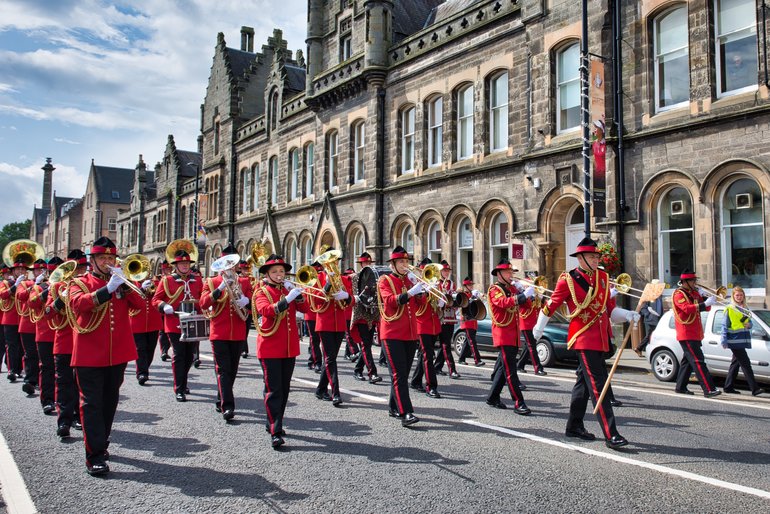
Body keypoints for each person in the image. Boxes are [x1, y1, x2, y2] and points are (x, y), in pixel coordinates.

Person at [534, 237, 638, 450]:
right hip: (583, 338)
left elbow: (608, 311)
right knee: (598, 387)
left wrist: (628, 314)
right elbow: (551, 306)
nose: (596, 259)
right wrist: (538, 329)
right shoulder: (568, 280)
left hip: (600, 339)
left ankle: (574, 426)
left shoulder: (603, 278)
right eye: (592, 256)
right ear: (580, 258)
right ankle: (611, 434)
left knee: (582, 384)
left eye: (597, 256)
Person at [67, 237, 144, 476]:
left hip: (116, 353)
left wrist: (124, 283)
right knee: (91, 404)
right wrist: (107, 290)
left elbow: (140, 304)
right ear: (93, 261)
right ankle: (94, 455)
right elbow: (77, 304)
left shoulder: (121, 282)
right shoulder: (79, 282)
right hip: (89, 354)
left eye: (111, 258)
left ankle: (102, 441)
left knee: (109, 402)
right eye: (103, 258)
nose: (108, 262)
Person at [253, 254, 308, 448]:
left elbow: (306, 308)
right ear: (267, 274)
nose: (279, 275)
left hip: (288, 347)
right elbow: (266, 310)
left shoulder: (288, 289)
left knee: (284, 389)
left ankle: (274, 422)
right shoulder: (261, 291)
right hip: (270, 347)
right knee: (273, 389)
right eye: (275, 272)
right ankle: (276, 430)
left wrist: (298, 295)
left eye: (282, 271)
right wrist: (287, 299)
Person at [200, 244, 253, 421]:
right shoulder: (211, 281)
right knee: (223, 370)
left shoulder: (245, 282)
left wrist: (247, 301)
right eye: (226, 264)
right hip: (219, 333)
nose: (230, 267)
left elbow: (255, 306)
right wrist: (220, 288)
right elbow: (203, 303)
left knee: (232, 370)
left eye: (232, 263)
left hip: (237, 332)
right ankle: (228, 406)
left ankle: (220, 398)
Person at [378, 246, 423, 426]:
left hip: (410, 334)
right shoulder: (385, 280)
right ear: (394, 264)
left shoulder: (410, 281)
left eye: (406, 261)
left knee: (402, 374)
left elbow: (419, 305)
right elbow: (390, 301)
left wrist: (423, 290)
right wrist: (411, 292)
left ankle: (393, 406)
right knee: (398, 374)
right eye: (401, 262)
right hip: (392, 333)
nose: (405, 265)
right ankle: (406, 413)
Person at [152, 245, 203, 402]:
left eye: (187, 264)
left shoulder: (198, 280)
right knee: (179, 355)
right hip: (175, 322)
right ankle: (179, 387)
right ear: (176, 266)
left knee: (190, 356)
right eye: (182, 264)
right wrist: (164, 306)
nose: (185, 266)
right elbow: (155, 299)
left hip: (193, 323)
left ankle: (183, 381)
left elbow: (203, 298)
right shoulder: (167, 281)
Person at [46, 250, 87, 439]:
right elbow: (48, 312)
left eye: (82, 268)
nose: (78, 271)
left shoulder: (88, 287)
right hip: (63, 342)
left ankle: (79, 417)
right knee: (63, 384)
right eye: (75, 268)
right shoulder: (56, 287)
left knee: (82, 384)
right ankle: (64, 421)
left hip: (84, 341)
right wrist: (60, 300)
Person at [485, 259, 535, 414]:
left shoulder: (513, 288)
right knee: (510, 370)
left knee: (503, 366)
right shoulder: (495, 289)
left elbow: (526, 306)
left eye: (511, 272)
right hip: (503, 332)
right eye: (508, 272)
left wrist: (526, 293)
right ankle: (518, 402)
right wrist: (520, 296)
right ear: (499, 274)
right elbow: (503, 303)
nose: (511, 274)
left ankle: (493, 397)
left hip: (513, 333)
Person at [307, 248, 354, 406]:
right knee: (330, 358)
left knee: (331, 358)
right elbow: (314, 301)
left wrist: (346, 296)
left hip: (339, 323)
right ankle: (335, 392)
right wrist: (327, 285)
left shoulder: (344, 279)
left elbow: (351, 300)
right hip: (324, 323)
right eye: (330, 263)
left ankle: (321, 389)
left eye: (335, 262)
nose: (333, 265)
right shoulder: (317, 278)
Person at [671, 269, 721, 398]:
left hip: (695, 332)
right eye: (693, 280)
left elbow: (707, 308)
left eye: (695, 280)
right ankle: (709, 389)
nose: (695, 282)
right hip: (686, 333)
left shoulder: (692, 292)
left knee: (687, 361)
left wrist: (705, 297)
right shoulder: (679, 294)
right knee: (698, 361)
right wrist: (704, 303)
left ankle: (680, 386)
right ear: (685, 282)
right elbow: (687, 309)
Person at [28, 257, 60, 414]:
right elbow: (32, 303)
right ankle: (47, 400)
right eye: (54, 271)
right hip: (46, 333)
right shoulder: (40, 287)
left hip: (63, 334)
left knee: (65, 371)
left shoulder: (69, 286)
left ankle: (64, 403)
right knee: (47, 368)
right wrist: (47, 290)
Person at [721, 286, 764, 396]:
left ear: (743, 296)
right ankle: (754, 388)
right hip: (735, 341)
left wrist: (750, 325)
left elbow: (750, 323)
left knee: (735, 364)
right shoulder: (730, 308)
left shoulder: (745, 308)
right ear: (733, 296)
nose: (739, 297)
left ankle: (728, 386)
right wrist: (724, 340)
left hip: (742, 339)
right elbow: (724, 326)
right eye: (737, 295)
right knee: (746, 364)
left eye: (741, 295)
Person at [410, 258, 443, 398]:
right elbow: (418, 305)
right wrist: (426, 292)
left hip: (434, 324)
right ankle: (431, 386)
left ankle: (416, 380)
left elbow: (439, 306)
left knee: (424, 355)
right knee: (428, 356)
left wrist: (441, 300)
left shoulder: (436, 284)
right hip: (422, 325)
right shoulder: (417, 285)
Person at [351, 252, 382, 384]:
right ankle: (372, 373)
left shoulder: (374, 277)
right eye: (366, 263)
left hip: (372, 312)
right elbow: (355, 294)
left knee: (367, 344)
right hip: (361, 312)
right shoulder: (355, 277)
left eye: (369, 263)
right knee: (365, 344)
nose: (368, 265)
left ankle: (358, 369)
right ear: (361, 264)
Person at [16, 259, 45, 396]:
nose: (41, 272)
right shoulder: (25, 283)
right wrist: (35, 284)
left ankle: (42, 381)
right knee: (30, 354)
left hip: (44, 325)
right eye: (38, 270)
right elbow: (20, 296)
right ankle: (30, 381)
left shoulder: (50, 284)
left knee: (44, 357)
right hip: (28, 324)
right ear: (34, 272)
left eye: (43, 270)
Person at [129, 267, 162, 385]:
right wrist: (141, 289)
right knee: (140, 348)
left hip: (153, 321)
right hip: (137, 321)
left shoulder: (156, 282)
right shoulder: (131, 284)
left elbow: (159, 297)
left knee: (150, 348)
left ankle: (145, 367)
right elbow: (131, 298)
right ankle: (142, 372)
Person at [433, 260, 460, 378]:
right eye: (445, 270)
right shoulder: (435, 283)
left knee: (446, 343)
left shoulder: (452, 283)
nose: (447, 272)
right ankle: (452, 369)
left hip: (450, 316)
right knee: (445, 345)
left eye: (448, 270)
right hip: (440, 316)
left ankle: (437, 367)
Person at [517, 276, 546, 375]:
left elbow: (543, 308)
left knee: (529, 345)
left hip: (534, 324)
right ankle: (538, 368)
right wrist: (532, 296)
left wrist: (541, 299)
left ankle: (520, 365)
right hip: (526, 323)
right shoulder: (522, 294)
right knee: (532, 345)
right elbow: (525, 304)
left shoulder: (535, 295)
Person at [457, 277, 484, 366]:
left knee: (467, 342)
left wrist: (479, 298)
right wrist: (472, 297)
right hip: (467, 320)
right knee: (472, 341)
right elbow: (465, 305)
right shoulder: (462, 295)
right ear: (465, 286)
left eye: (471, 285)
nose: (471, 286)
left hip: (473, 320)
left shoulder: (471, 294)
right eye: (469, 285)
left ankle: (461, 358)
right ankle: (477, 360)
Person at [158, 261, 172, 361]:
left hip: (172, 309)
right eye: (167, 269)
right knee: (163, 332)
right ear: (163, 270)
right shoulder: (158, 279)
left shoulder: (173, 279)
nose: (169, 271)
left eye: (170, 269)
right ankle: (164, 351)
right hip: (162, 310)